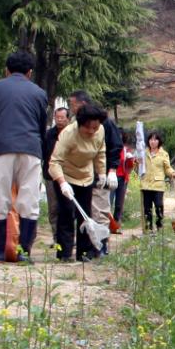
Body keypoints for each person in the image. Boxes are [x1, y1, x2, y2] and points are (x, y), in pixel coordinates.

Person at [0, 50, 48, 263]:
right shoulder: (39, 93)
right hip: (31, 149)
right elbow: (41, 126)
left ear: (6, 70)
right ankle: (24, 252)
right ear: (30, 72)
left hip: (2, 148)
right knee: (29, 200)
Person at [49, 103, 107, 262]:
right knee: (67, 212)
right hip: (66, 176)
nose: (91, 131)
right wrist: (62, 183)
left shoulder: (100, 131)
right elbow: (54, 162)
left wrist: (102, 174)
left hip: (86, 176)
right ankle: (65, 254)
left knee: (85, 215)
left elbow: (100, 153)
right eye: (87, 127)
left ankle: (84, 253)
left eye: (95, 128)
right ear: (80, 124)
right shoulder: (68, 134)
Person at [67, 90, 122, 255]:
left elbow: (115, 146)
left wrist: (112, 170)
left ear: (82, 104)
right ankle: (86, 247)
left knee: (100, 210)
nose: (71, 108)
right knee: (83, 211)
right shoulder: (74, 124)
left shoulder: (104, 122)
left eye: (73, 104)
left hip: (100, 174)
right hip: (80, 174)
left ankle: (101, 246)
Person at [140, 130, 175, 233]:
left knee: (158, 206)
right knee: (147, 208)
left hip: (158, 185)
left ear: (159, 141)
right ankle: (148, 229)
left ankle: (159, 227)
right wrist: (135, 162)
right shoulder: (143, 152)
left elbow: (167, 168)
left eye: (155, 139)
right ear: (148, 141)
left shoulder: (164, 154)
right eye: (151, 139)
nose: (153, 142)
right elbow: (139, 166)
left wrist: (173, 173)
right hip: (146, 184)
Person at [42, 107, 70, 245]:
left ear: (68, 118)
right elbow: (43, 154)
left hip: (69, 176)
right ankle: (56, 236)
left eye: (62, 117)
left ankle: (67, 237)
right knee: (53, 207)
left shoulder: (72, 134)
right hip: (50, 175)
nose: (59, 120)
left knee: (67, 207)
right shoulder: (48, 135)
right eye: (57, 117)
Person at [111, 131, 137, 229]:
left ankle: (117, 224)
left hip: (122, 178)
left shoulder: (126, 150)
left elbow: (130, 167)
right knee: (109, 201)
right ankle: (108, 224)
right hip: (111, 177)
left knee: (119, 203)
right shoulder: (110, 149)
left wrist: (130, 159)